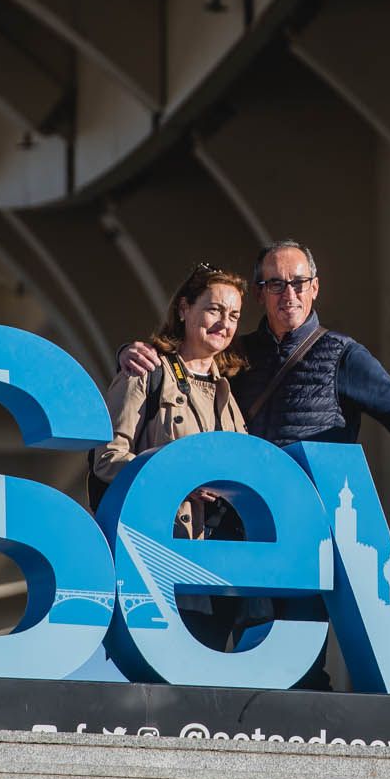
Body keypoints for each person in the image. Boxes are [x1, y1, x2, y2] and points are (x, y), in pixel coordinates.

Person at [118, 239, 390, 471]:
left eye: (298, 282)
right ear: (259, 294)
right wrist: (130, 353)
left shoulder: (341, 354)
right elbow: (187, 362)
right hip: (245, 516)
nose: (289, 294)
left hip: (313, 514)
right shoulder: (236, 353)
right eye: (275, 284)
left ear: (314, 287)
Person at [93, 265, 253, 650]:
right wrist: (175, 478)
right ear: (184, 308)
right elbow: (107, 460)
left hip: (222, 569)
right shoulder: (144, 372)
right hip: (161, 561)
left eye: (234, 316)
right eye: (214, 310)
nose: (224, 324)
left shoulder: (231, 392)